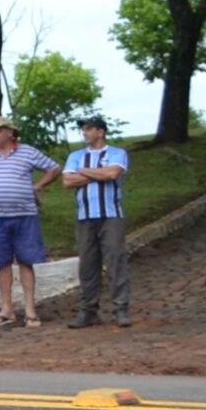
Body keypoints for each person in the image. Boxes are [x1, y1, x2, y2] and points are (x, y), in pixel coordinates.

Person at [0, 116, 60, 328]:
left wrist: (37, 187)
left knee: (25, 261)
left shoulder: (27, 152)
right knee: (2, 263)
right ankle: (7, 309)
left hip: (25, 215)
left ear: (10, 133)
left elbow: (54, 168)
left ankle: (30, 310)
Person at [61, 116, 131, 329]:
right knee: (88, 265)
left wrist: (82, 172)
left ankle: (121, 309)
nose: (85, 132)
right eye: (84, 129)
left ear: (100, 132)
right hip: (84, 217)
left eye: (89, 129)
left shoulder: (117, 153)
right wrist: (97, 175)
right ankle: (88, 311)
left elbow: (112, 173)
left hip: (110, 215)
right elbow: (67, 181)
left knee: (115, 262)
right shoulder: (75, 155)